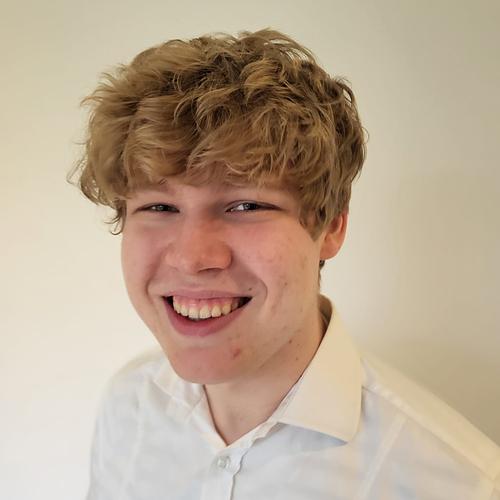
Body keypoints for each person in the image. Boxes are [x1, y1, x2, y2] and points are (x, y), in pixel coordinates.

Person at [74, 29, 500, 500]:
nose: (192, 258)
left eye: (245, 206)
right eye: (158, 207)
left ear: (331, 227)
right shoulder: (129, 405)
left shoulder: (463, 485)